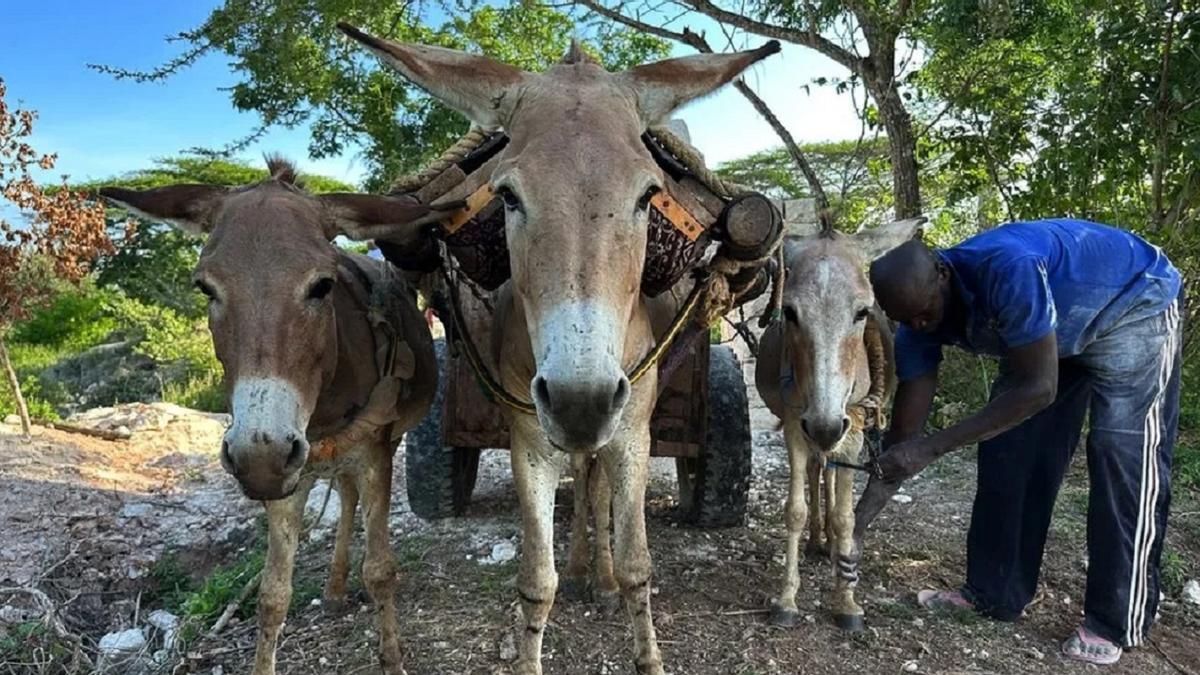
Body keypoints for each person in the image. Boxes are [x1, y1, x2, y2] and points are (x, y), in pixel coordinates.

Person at [867, 218, 1182, 665]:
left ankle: (1115, 620)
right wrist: (865, 507)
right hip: (1048, 333)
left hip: (1132, 306)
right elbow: (904, 435)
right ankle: (993, 593)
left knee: (1122, 454)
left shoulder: (1007, 267)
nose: (920, 322)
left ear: (943, 274)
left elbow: (1038, 388)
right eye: (908, 320)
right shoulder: (914, 322)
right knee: (1009, 448)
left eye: (927, 311)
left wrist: (932, 447)